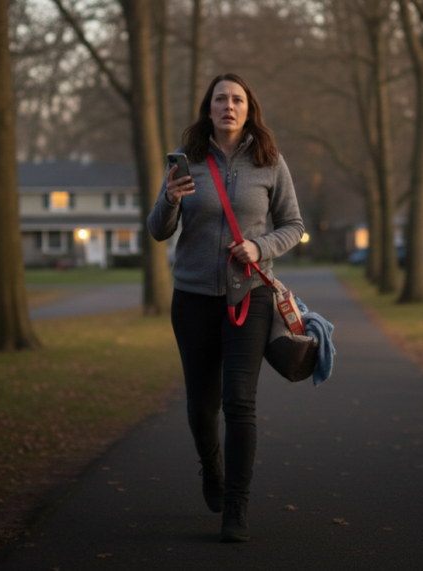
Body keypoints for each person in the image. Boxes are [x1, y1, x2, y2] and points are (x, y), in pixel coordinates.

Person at [147, 73, 304, 542]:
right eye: (220, 99)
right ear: (208, 108)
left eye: (237, 99)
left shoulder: (269, 160)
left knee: (239, 401)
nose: (228, 106)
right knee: (202, 406)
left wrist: (260, 247)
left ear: (248, 107)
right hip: (193, 298)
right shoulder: (188, 161)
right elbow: (158, 229)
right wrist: (170, 201)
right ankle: (211, 468)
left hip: (249, 297)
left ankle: (236, 506)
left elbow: (293, 225)